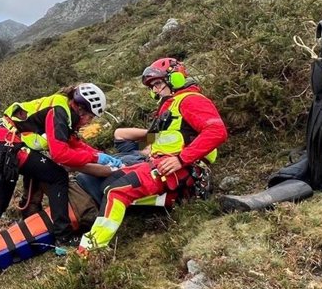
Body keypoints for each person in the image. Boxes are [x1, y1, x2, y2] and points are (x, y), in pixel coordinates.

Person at [78, 58, 228, 255]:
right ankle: (170, 200)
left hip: (180, 168)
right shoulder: (170, 109)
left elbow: (217, 131)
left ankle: (88, 252)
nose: (155, 90)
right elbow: (137, 137)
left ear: (174, 79)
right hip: (164, 166)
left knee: (116, 191)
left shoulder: (190, 100)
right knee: (109, 184)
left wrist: (180, 159)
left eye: (157, 84)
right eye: (152, 86)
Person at [0, 83, 121, 243]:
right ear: (81, 109)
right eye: (90, 117)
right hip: (11, 147)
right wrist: (96, 159)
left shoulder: (63, 108)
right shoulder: (59, 112)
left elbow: (73, 142)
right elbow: (60, 154)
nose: (88, 122)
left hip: (0, 145)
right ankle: (63, 237)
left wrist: (97, 154)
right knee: (58, 176)